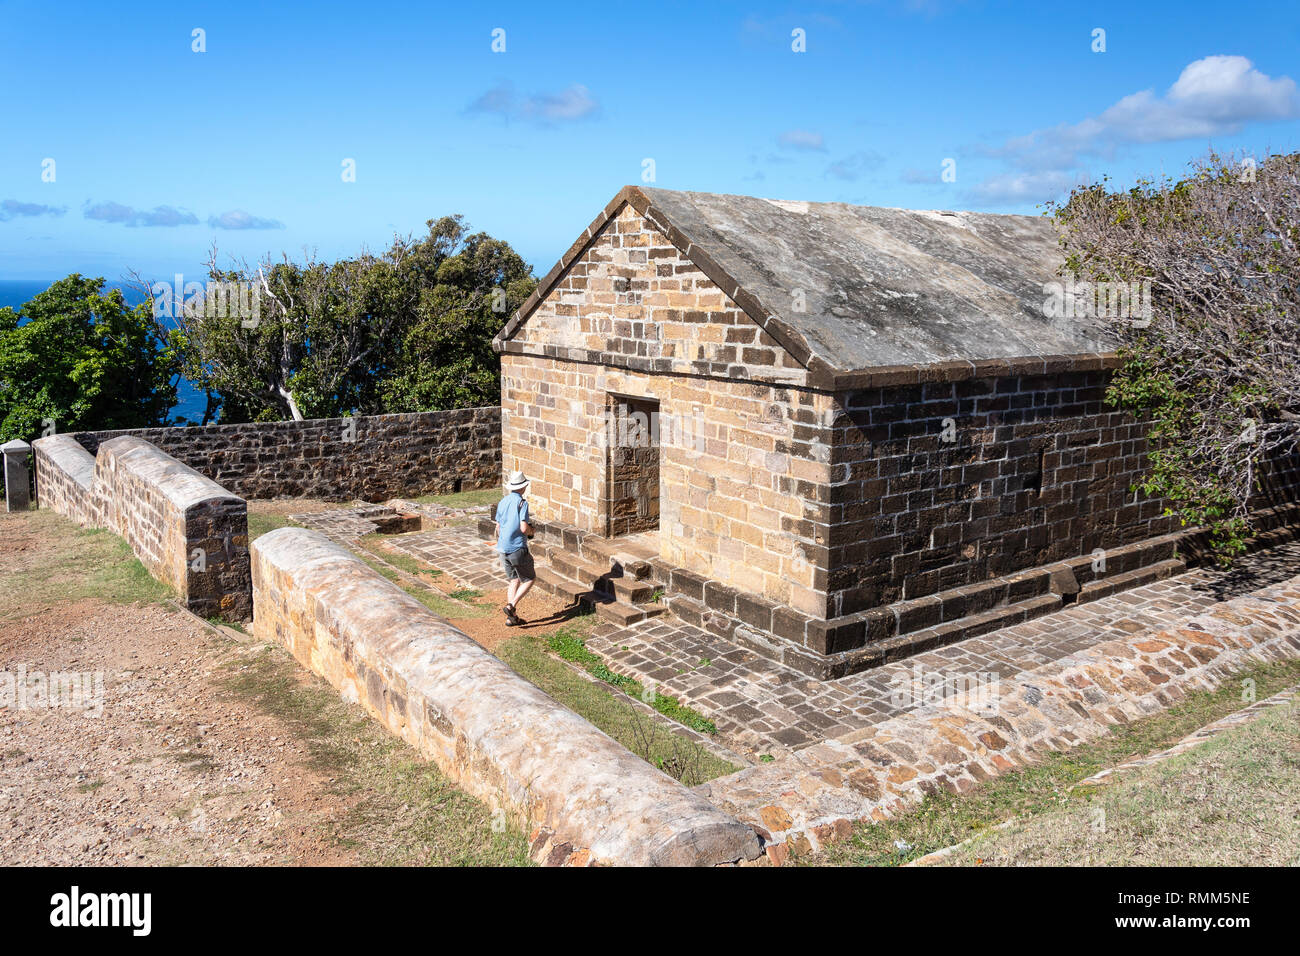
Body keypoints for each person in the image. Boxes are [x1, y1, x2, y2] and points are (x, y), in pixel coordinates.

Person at [492, 470, 535, 626]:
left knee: (514, 580)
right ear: (523, 487)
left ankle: (512, 618)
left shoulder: (503, 502)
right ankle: (511, 605)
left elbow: (498, 527)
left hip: (503, 548)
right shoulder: (522, 503)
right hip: (517, 548)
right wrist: (532, 531)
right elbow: (524, 528)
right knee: (529, 579)